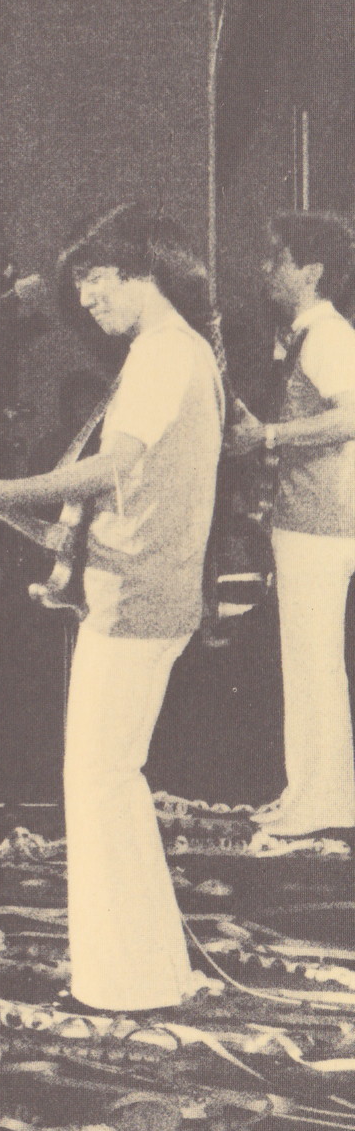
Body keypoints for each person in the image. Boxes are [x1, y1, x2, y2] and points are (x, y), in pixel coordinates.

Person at [0, 203, 220, 1012]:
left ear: (144, 271)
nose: (86, 298)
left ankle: (121, 982)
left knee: (96, 783)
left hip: (137, 598)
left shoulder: (162, 356)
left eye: (97, 278)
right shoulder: (175, 352)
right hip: (142, 589)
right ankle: (152, 969)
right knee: (115, 782)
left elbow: (112, 469)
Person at [227, 212, 355, 838]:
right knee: (305, 663)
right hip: (308, 521)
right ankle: (307, 791)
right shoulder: (306, 338)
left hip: (323, 525)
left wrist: (269, 434)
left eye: (277, 258)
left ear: (312, 271)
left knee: (314, 663)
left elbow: (352, 416)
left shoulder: (328, 336)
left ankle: (327, 802)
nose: (266, 268)